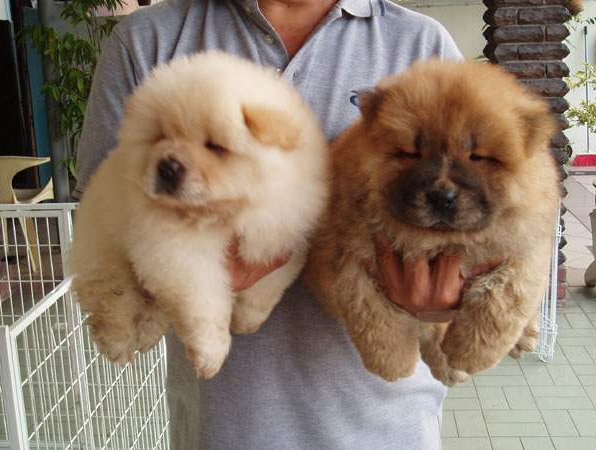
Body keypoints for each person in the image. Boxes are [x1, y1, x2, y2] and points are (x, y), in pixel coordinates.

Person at [74, 0, 469, 448]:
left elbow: (474, 215)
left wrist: (445, 302)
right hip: (225, 427)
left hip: (386, 424)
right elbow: (101, 212)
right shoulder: (151, 40)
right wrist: (181, 277)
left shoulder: (420, 43)